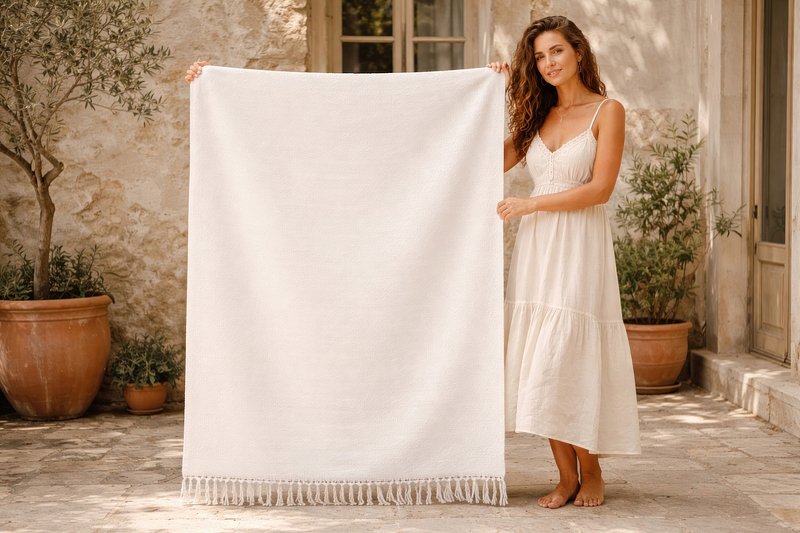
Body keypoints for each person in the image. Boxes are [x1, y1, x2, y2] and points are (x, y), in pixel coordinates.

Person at [488, 15, 641, 509]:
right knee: (541, 358)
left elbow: (600, 189)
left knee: (569, 354)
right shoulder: (537, 116)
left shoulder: (607, 111)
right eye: (539, 57)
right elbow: (487, 160)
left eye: (556, 51)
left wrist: (531, 203)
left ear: (578, 51)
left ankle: (591, 471)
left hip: (579, 247)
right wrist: (490, 94)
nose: (548, 63)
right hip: (538, 250)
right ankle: (565, 475)